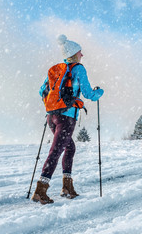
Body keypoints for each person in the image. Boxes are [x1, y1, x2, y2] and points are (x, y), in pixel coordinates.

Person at [31, 34, 104, 204]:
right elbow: (88, 94)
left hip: (52, 116)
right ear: (74, 54)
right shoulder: (78, 69)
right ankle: (41, 191)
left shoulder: (56, 69)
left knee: (69, 148)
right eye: (80, 52)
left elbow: (42, 90)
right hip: (67, 118)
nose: (82, 55)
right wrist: (99, 92)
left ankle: (67, 187)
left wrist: (54, 105)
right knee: (55, 152)